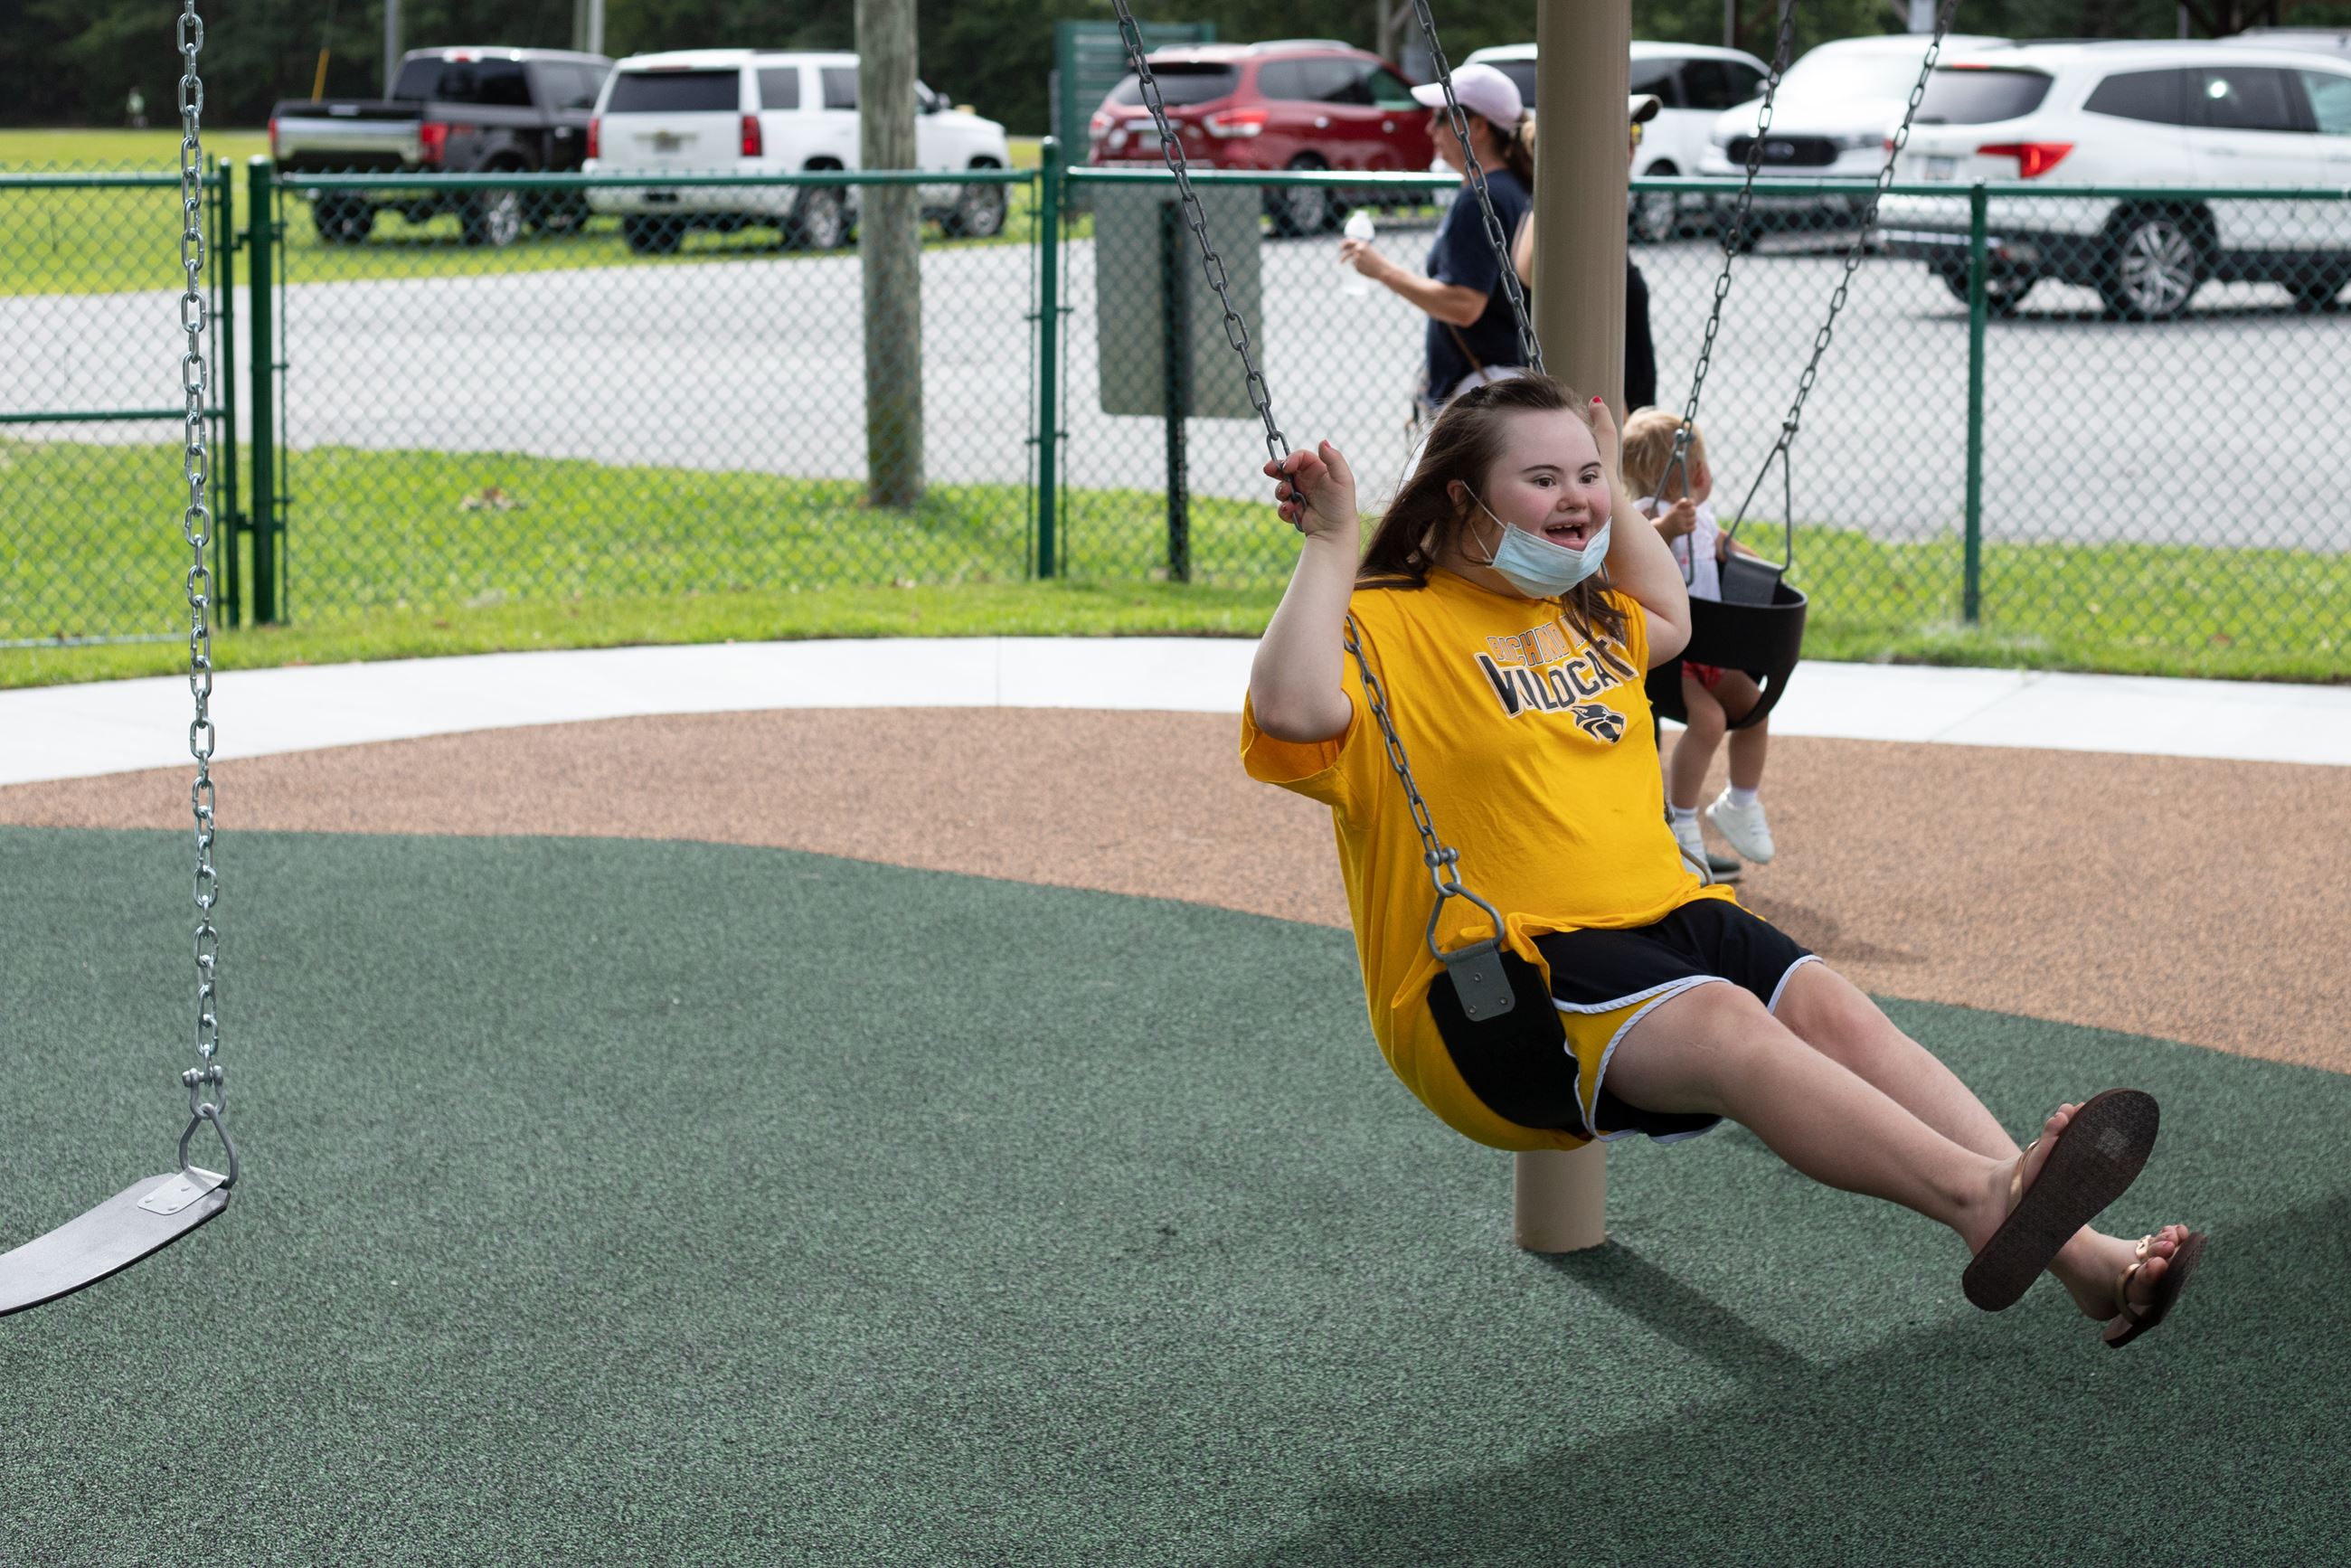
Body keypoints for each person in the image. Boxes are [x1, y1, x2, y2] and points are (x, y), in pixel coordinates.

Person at [1244, 375, 2203, 1346]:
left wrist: (1600, 470)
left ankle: (2080, 1256)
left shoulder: (1584, 615)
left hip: (1663, 912)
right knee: (1723, 1018)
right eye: (1541, 480)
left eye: (1585, 477)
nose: (1575, 498)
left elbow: (1673, 613)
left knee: (1830, 1009)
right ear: (1458, 497)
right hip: (1504, 977)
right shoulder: (1382, 627)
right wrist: (1331, 541)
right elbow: (1288, 713)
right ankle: (1980, 1199)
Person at [1620, 409, 1775, 874]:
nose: (1706, 474)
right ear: (1669, 478)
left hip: (1711, 645)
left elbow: (1724, 547)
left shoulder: (1701, 519)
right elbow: (1633, 549)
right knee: (1707, 721)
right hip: (1673, 655)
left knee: (1754, 710)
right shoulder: (1645, 515)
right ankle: (1683, 823)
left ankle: (1739, 803)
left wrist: (1762, 566)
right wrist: (1666, 528)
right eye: (1695, 467)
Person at [1338, 62, 1535, 425]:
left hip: (1479, 401)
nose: (1431, 128)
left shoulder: (1481, 198)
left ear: (1476, 126)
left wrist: (1381, 270)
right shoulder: (1512, 188)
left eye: (1441, 117)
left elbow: (1464, 305)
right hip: (1505, 387)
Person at [1509, 93, 1660, 412]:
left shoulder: (1595, 210)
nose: (1632, 146)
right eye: (1623, 134)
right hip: (1603, 412)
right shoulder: (1570, 216)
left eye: (1635, 133)